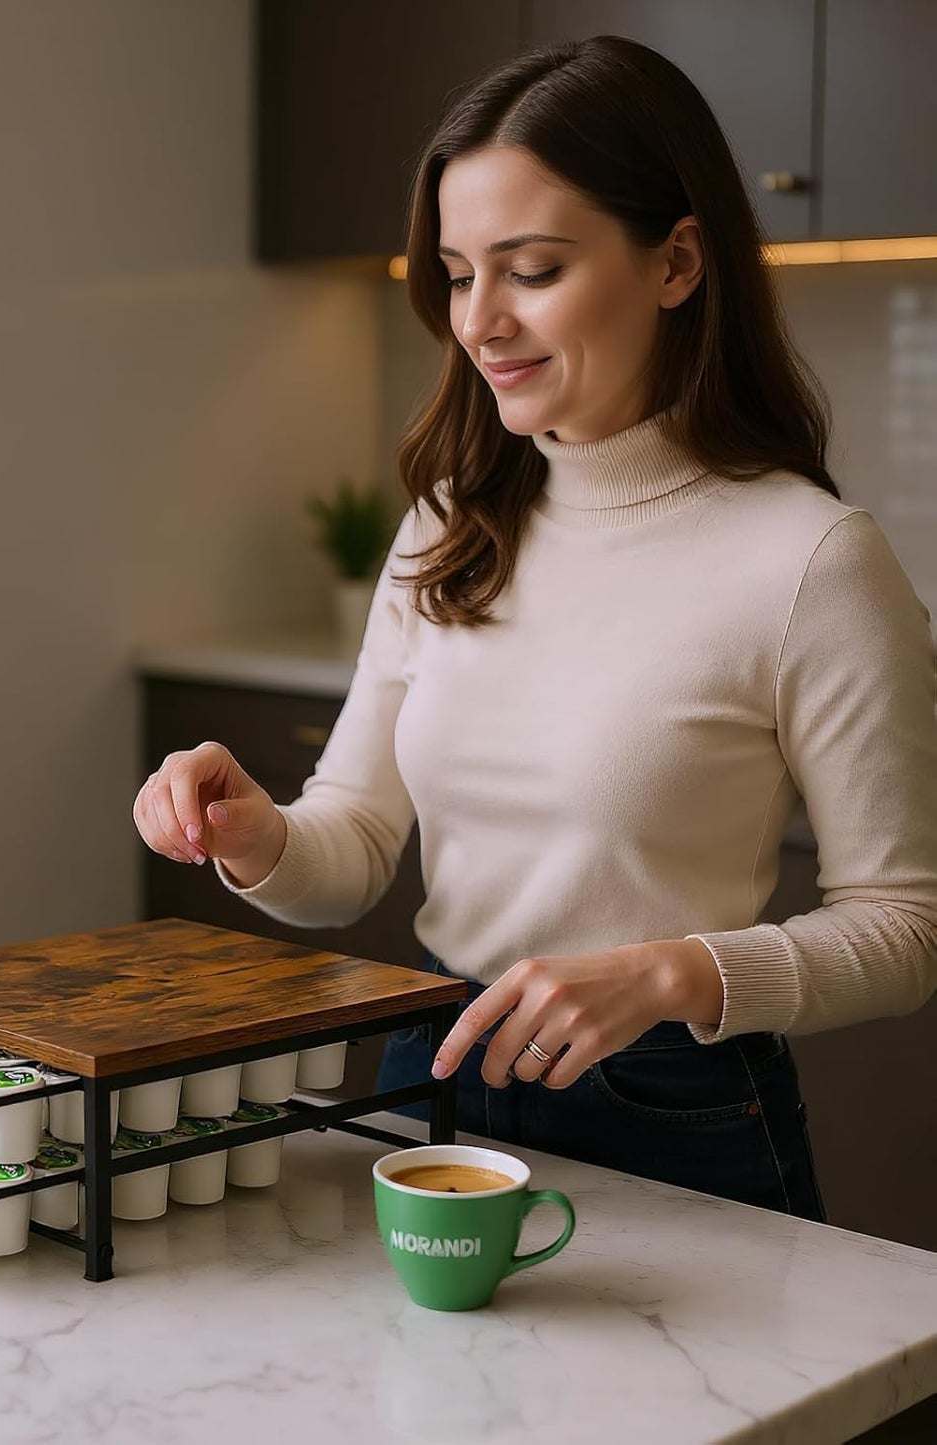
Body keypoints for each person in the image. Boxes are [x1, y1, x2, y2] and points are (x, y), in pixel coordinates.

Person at [131, 36, 937, 1222]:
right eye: (458, 274)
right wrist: (252, 834)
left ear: (674, 263)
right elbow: (349, 842)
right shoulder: (446, 525)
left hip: (676, 1107)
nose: (479, 321)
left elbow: (904, 926)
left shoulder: (811, 557)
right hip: (432, 1069)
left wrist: (673, 972)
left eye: (531, 269)